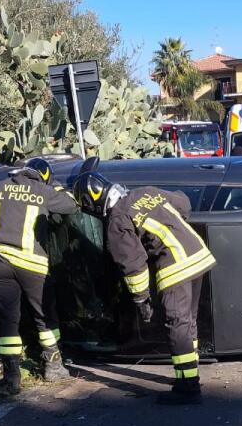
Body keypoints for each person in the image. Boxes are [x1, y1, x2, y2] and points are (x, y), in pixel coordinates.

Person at [72, 171, 216, 405]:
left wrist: (141, 300)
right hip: (198, 254)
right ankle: (190, 373)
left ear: (94, 203)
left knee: (176, 323)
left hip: (175, 265)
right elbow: (184, 203)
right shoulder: (146, 192)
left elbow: (133, 265)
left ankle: (187, 387)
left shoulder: (117, 219)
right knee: (188, 320)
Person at [0, 157, 79, 395]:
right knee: (44, 317)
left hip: (0, 260)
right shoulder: (42, 191)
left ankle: (11, 379)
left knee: (8, 319)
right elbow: (71, 206)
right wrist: (56, 188)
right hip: (32, 264)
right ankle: (53, 366)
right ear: (44, 176)